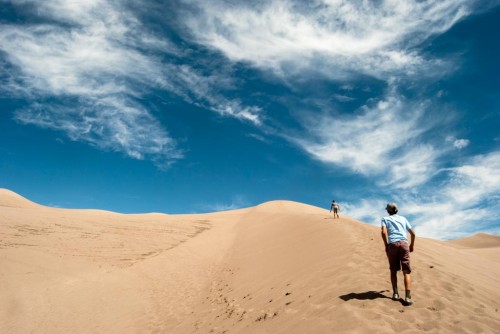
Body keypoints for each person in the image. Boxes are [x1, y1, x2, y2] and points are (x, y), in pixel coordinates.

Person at [381, 203, 416, 305]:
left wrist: (386, 245)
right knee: (406, 272)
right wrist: (412, 245)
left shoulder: (385, 219)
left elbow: (383, 232)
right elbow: (413, 234)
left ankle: (396, 294)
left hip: (392, 244)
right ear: (397, 210)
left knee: (393, 271)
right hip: (404, 244)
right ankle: (407, 297)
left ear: (388, 211)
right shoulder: (403, 219)